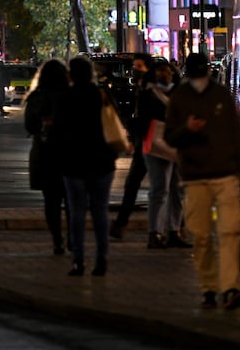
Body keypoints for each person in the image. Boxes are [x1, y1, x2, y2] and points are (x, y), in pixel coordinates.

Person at [165, 52, 240, 312]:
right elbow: (170, 136)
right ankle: (208, 288)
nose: (200, 80)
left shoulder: (221, 96)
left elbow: (236, 137)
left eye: (203, 74)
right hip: (195, 178)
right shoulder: (180, 98)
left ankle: (230, 287)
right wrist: (187, 130)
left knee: (229, 233)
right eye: (196, 75)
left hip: (224, 174)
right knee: (201, 236)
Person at [54, 56, 118, 277]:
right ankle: (102, 259)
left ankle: (78, 260)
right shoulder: (101, 94)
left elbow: (59, 131)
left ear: (71, 75)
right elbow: (114, 124)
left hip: (74, 162)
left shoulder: (66, 97)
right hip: (102, 161)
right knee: (100, 212)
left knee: (77, 213)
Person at [138, 58, 189, 249]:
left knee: (178, 189)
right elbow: (142, 118)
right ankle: (155, 232)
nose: (164, 74)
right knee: (160, 189)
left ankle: (174, 230)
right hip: (156, 144)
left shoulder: (180, 92)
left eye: (167, 71)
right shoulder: (148, 93)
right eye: (159, 71)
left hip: (177, 144)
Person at [23, 59, 69, 255]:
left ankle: (57, 240)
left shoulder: (36, 97)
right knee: (72, 200)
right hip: (70, 154)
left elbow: (30, 126)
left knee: (51, 202)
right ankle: (73, 239)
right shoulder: (71, 95)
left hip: (45, 153)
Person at [110, 52, 152, 240]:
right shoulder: (141, 87)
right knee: (134, 184)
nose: (135, 70)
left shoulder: (151, 88)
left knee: (161, 187)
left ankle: (122, 223)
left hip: (152, 143)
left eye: (139, 66)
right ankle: (121, 223)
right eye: (134, 66)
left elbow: (147, 116)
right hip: (144, 142)